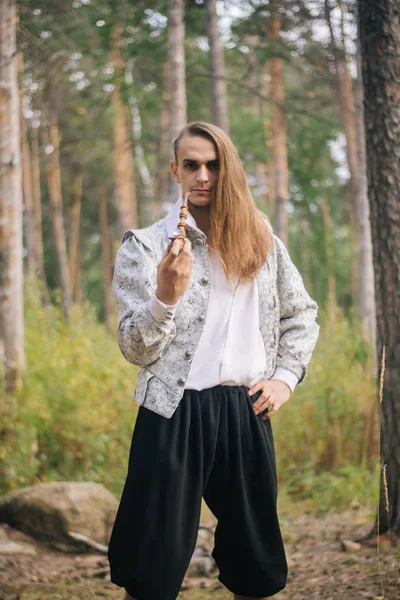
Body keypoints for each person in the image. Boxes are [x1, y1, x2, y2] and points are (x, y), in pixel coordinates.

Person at [107, 121, 320, 600]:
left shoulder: (260, 240)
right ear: (175, 170)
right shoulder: (145, 246)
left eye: (213, 164)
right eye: (191, 165)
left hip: (246, 409)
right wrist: (165, 297)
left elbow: (301, 313)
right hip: (171, 410)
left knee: (256, 560)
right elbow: (134, 348)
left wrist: (285, 378)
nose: (203, 175)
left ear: (228, 167)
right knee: (150, 561)